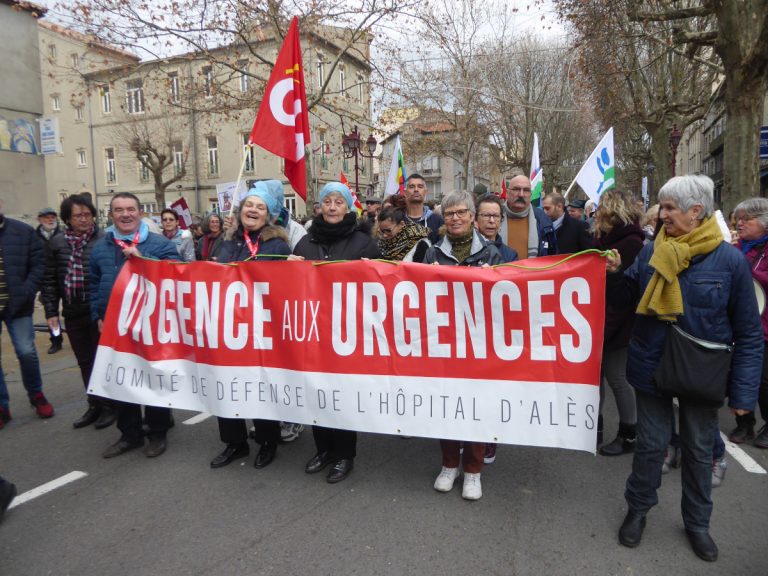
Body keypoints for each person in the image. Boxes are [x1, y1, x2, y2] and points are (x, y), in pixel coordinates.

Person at [605, 175, 762, 562]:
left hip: (701, 373)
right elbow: (627, 299)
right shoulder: (650, 251)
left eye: (669, 208)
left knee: (698, 450)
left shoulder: (729, 262)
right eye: (662, 207)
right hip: (652, 367)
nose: (662, 215)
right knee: (651, 446)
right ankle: (638, 510)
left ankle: (697, 524)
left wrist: (743, 395)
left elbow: (748, 333)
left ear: (696, 212)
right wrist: (615, 273)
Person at [291, 181, 381, 483]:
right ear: (319, 207)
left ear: (348, 207)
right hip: (314, 331)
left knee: (341, 395)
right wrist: (287, 269)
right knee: (316, 392)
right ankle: (323, 449)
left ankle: (344, 455)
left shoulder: (363, 243)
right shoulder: (305, 243)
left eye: (338, 202)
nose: (332, 207)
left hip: (347, 333)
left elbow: (381, 285)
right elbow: (292, 287)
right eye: (327, 202)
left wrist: (373, 270)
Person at [423, 190, 503, 500]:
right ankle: (448, 465)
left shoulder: (492, 253)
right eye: (449, 213)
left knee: (476, 407)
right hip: (444, 343)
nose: (455, 218)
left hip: (479, 344)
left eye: (461, 212)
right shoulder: (433, 252)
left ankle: (473, 470)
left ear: (472, 216)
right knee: (446, 405)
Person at [90, 193, 180, 458]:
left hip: (151, 322)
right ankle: (130, 434)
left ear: (140, 212)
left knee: (152, 377)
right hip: (115, 325)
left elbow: (177, 273)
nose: (125, 214)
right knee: (122, 379)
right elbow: (93, 283)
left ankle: (157, 432)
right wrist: (98, 314)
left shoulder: (160, 243)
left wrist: (143, 258)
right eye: (119, 210)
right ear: (111, 215)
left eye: (130, 209)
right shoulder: (101, 246)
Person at [210, 182, 292, 469]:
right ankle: (235, 443)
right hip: (227, 326)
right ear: (240, 209)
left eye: (260, 207)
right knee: (226, 384)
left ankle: (268, 442)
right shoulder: (227, 241)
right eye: (249, 205)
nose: (253, 210)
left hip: (260, 328)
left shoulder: (277, 244)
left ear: (268, 214)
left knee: (260, 385)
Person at [41, 195, 116, 430]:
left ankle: (111, 406)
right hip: (73, 311)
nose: (84, 219)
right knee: (85, 362)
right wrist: (51, 310)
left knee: (103, 360)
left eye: (87, 214)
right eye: (77, 216)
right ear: (67, 219)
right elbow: (50, 280)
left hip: (98, 312)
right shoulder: (57, 243)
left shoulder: (105, 239)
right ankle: (95, 404)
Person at [592, 189, 644, 455]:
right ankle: (594, 427)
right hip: (600, 318)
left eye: (601, 207)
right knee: (596, 377)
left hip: (618, 322)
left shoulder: (631, 243)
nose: (596, 212)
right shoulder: (605, 239)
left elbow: (625, 292)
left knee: (618, 378)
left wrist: (606, 328)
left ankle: (629, 434)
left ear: (613, 210)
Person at [0, 199, 53, 429]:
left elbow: (39, 263)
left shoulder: (21, 231)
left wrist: (27, 290)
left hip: (18, 304)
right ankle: (2, 406)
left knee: (26, 351)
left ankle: (36, 394)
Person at [473, 193, 518, 464]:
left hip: (495, 330)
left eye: (495, 216)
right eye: (486, 215)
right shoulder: (463, 249)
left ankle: (489, 439)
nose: (491, 220)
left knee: (492, 388)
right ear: (475, 220)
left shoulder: (510, 254)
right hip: (468, 330)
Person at [728, 197, 768, 448]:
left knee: (763, 380)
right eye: (738, 219)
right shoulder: (737, 246)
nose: (739, 224)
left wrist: (740, 266)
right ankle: (745, 424)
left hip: (765, 326)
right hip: (738, 324)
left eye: (746, 219)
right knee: (736, 374)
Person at [498, 173, 556, 259]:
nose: (521, 194)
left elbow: (552, 256)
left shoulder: (543, 219)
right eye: (516, 189)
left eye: (526, 190)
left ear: (530, 195)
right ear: (507, 193)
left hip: (534, 267)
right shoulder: (494, 216)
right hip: (499, 267)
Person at [36, 207, 64, 354]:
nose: (50, 219)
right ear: (40, 220)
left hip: (64, 277)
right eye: (46, 217)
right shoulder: (34, 237)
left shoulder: (63, 234)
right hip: (46, 280)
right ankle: (56, 340)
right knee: (51, 312)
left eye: (52, 217)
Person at [375, 194, 431, 262]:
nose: (385, 235)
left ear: (401, 224)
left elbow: (422, 268)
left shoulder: (420, 244)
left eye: (388, 230)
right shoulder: (383, 245)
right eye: (382, 231)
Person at [403, 173, 444, 243]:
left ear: (426, 192)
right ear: (405, 192)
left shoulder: (438, 220)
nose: (416, 189)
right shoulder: (397, 220)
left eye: (420, 186)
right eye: (411, 187)